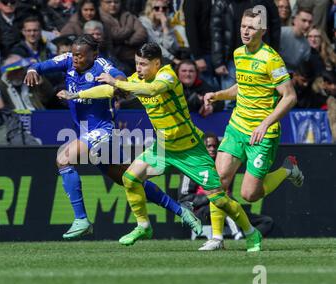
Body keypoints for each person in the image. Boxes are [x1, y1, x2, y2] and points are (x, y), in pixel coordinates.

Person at [59, 42, 263, 252]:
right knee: (129, 179)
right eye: (137, 63)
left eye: (144, 64)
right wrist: (77, 95)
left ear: (157, 63)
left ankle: (251, 233)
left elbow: (152, 90)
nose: (139, 68)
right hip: (163, 148)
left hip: (190, 149)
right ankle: (143, 226)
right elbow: (110, 90)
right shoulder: (138, 79)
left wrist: (117, 83)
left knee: (219, 200)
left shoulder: (167, 76)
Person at [25, 35, 196, 240]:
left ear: (94, 55)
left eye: (80, 55)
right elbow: (40, 65)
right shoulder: (68, 60)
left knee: (63, 158)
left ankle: (81, 219)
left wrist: (117, 86)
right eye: (74, 54)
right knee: (128, 179)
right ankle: (181, 211)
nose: (76, 58)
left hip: (103, 130)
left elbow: (121, 78)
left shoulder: (101, 65)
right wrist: (32, 69)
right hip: (88, 131)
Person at [203, 8, 304, 250]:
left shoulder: (271, 59)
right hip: (237, 126)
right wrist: (218, 94)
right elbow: (242, 87)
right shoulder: (239, 54)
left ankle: (288, 169)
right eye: (243, 26)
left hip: (262, 133)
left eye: (251, 27)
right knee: (217, 181)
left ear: (262, 31)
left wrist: (265, 123)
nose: (246, 31)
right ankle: (217, 238)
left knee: (249, 194)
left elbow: (290, 97)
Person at [178, 132, 275, 240]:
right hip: (203, 210)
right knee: (223, 205)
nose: (212, 149)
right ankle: (237, 236)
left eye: (215, 146)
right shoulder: (192, 167)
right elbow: (184, 199)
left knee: (267, 222)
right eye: (209, 146)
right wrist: (213, 196)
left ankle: (247, 238)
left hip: (228, 205)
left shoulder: (223, 165)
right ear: (202, 147)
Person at [279, 6, 313, 73]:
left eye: (310, 22)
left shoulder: (306, 45)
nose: (307, 25)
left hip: (293, 76)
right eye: (304, 20)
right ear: (294, 20)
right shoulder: (281, 33)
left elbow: (302, 68)